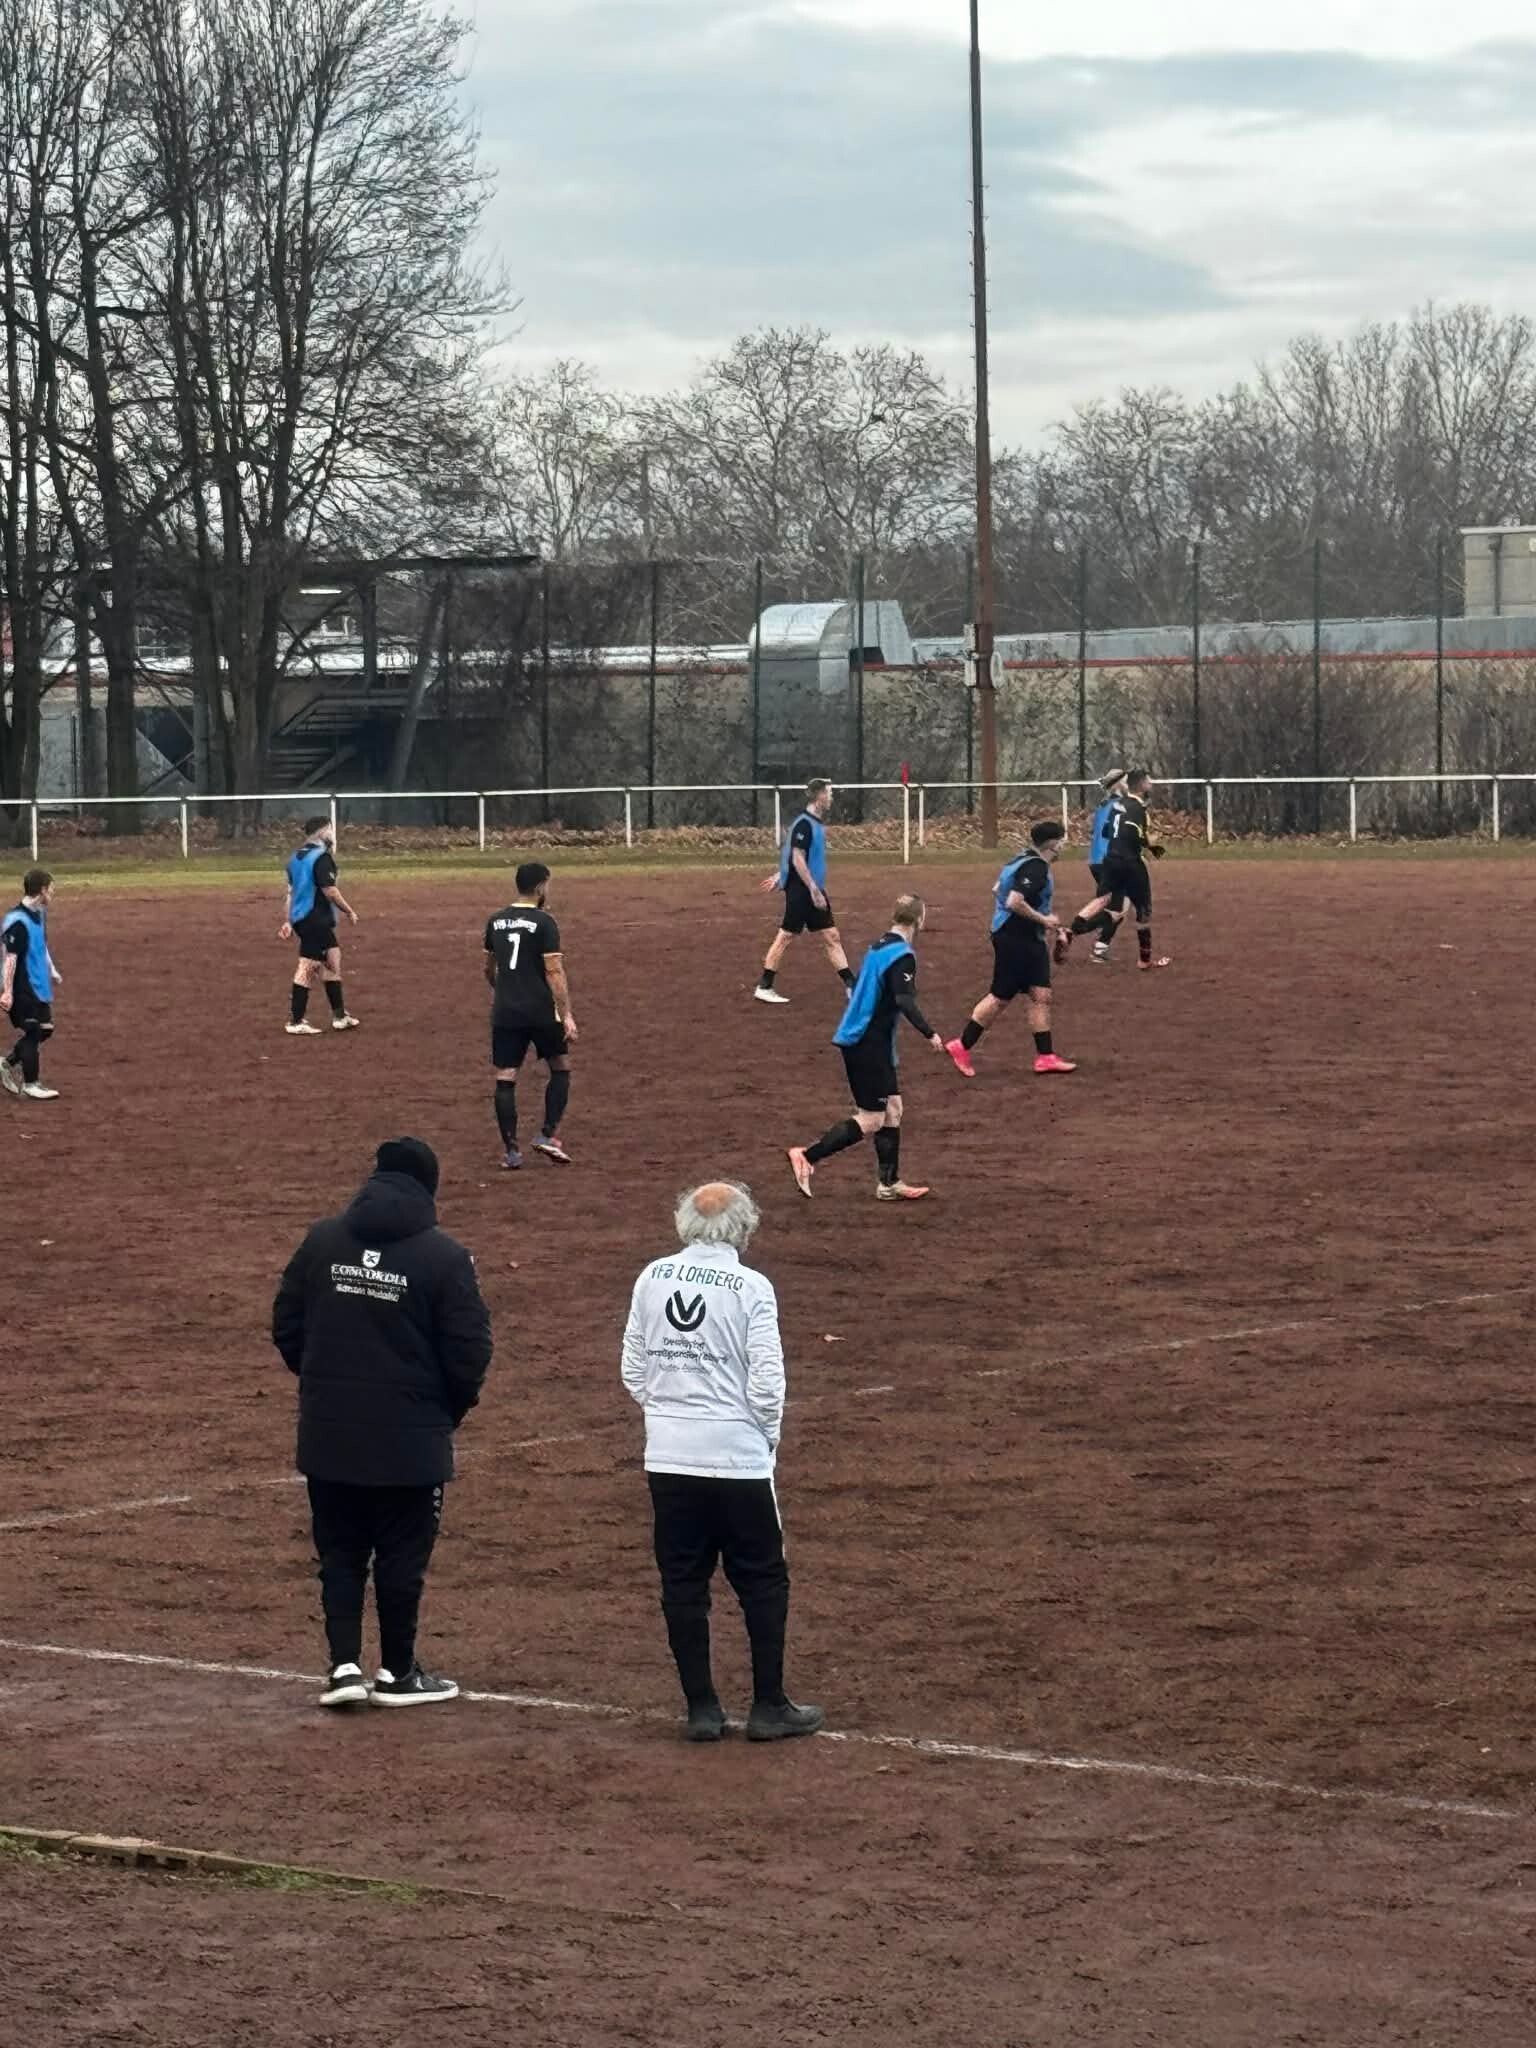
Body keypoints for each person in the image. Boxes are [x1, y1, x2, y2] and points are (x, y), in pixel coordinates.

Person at [272, 1137, 493, 1710]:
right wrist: (444, 1411)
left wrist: (322, 1384)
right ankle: (397, 1671)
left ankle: (344, 1666)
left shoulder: (322, 1241)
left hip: (329, 1433)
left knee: (339, 1554)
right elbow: (470, 1351)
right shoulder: (445, 1257)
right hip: (411, 1441)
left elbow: (287, 1324)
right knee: (402, 1556)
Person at [621, 1181, 823, 1744]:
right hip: (738, 1457)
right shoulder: (752, 1287)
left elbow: (633, 1368)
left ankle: (702, 1709)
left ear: (685, 1222)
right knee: (762, 1579)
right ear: (744, 1227)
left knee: (682, 1580)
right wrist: (765, 1440)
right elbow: (768, 1383)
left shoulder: (652, 1277)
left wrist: (669, 1416)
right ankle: (769, 1704)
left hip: (668, 1455)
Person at [787, 893, 945, 1203]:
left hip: (872, 1041)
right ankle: (807, 1155)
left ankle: (888, 1183)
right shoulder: (902, 956)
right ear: (920, 920)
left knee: (893, 1109)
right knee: (872, 1118)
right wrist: (930, 1034)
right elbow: (904, 1000)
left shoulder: (879, 946)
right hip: (866, 1042)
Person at [945, 820, 1077, 1079]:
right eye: (1062, 840)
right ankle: (962, 1045)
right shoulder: (1037, 867)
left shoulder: (1021, 858)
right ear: (1052, 843)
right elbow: (1014, 901)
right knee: (1000, 997)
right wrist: (1044, 920)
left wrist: (1042, 923)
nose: (1064, 845)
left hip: (1023, 937)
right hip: (1016, 940)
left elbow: (997, 890)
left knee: (1040, 994)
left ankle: (1045, 1056)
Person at [484, 861, 577, 1169]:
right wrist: (566, 1014)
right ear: (540, 887)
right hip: (540, 1010)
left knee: (506, 1075)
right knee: (560, 1066)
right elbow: (554, 972)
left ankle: (511, 1152)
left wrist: (505, 991)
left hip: (506, 1011)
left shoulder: (496, 921)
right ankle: (547, 1134)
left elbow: (489, 969)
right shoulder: (544, 922)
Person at [754, 778, 854, 1004]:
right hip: (803, 889)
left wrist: (780, 874)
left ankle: (851, 984)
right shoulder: (804, 824)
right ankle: (764, 986)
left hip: (811, 887)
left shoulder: (813, 823)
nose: (831, 797)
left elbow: (794, 853)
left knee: (831, 935)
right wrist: (813, 889)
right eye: (829, 793)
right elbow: (797, 857)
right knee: (786, 935)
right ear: (820, 796)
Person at [279, 816, 360, 1035]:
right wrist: (349, 910)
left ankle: (339, 1016)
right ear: (322, 832)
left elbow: (290, 893)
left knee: (332, 958)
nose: (332, 834)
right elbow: (330, 891)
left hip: (305, 920)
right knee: (308, 966)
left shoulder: (295, 858)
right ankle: (295, 1021)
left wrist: (288, 920)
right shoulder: (321, 858)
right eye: (330, 830)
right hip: (314, 919)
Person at [1095, 769, 1172, 972]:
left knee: (1109, 905)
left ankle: (1073, 931)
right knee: (1143, 911)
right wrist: (1150, 845)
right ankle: (1144, 960)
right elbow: (1131, 832)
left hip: (1111, 861)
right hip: (1130, 863)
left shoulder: (1117, 805)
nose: (1151, 783)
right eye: (1149, 780)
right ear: (1142, 785)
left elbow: (1107, 832)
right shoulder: (1138, 808)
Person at [1055, 768, 1127, 965]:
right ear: (1118, 784)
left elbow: (1094, 830)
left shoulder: (1103, 805)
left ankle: (1100, 947)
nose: (1129, 785)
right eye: (1126, 781)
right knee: (1108, 902)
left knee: (1119, 906)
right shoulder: (1121, 805)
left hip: (1096, 860)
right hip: (1110, 860)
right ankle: (1071, 931)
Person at [0, 867, 61, 1102]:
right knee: (34, 1030)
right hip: (20, 986)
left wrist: (52, 969)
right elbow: (10, 958)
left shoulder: (39, 914)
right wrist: (7, 992)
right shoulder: (17, 921)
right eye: (51, 889)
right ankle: (31, 1084)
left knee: (46, 1029)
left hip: (37, 984)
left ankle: (7, 1064)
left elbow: (41, 945)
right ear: (42, 890)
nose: (52, 894)